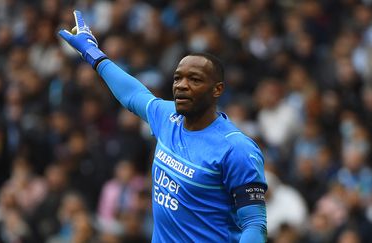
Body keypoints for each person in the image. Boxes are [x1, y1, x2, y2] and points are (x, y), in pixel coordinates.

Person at [58, 10, 267, 242]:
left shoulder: (237, 149)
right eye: (178, 78)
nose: (182, 86)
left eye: (195, 79)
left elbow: (254, 224)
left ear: (217, 89)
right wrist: (91, 52)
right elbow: (133, 94)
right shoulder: (168, 117)